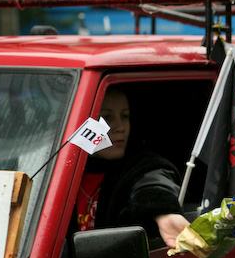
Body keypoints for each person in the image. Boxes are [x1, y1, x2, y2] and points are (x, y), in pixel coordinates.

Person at [75, 85, 189, 248]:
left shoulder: (140, 165)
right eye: (107, 117)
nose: (120, 127)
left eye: (125, 116)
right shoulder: (59, 172)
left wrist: (163, 211)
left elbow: (153, 181)